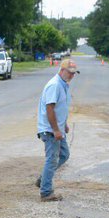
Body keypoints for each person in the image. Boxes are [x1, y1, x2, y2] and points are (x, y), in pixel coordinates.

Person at [36, 57, 78, 202]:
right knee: (52, 160)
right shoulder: (54, 85)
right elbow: (50, 108)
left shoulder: (64, 84)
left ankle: (43, 179)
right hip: (50, 130)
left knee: (64, 155)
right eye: (70, 72)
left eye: (74, 73)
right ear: (62, 70)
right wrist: (56, 130)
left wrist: (64, 124)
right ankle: (46, 192)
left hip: (57, 129)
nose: (72, 75)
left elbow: (61, 107)